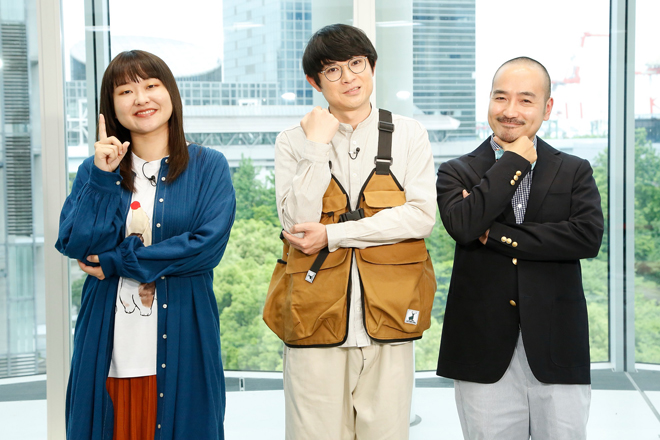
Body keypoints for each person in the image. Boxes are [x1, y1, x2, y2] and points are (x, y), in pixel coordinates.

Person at [263, 24, 437, 440]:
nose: (349, 78)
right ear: (315, 82)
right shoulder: (292, 141)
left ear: (372, 66)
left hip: (390, 314)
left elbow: (420, 217)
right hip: (313, 315)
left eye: (356, 64)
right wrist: (317, 146)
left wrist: (333, 235)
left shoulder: (409, 133)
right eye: (333, 70)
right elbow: (295, 223)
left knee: (387, 434)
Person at [56, 50, 235, 440]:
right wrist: (103, 178)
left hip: (186, 340)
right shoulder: (95, 170)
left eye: (151, 85)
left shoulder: (208, 166)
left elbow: (206, 247)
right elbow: (76, 243)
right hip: (108, 346)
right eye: (125, 91)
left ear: (170, 93)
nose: (141, 98)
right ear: (112, 106)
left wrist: (115, 261)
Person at [435, 56, 604, 440]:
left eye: (525, 100)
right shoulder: (456, 171)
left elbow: (586, 237)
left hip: (558, 345)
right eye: (501, 97)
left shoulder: (574, 170)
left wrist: (494, 234)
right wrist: (512, 161)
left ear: (547, 107)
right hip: (482, 350)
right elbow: (463, 227)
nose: (510, 110)